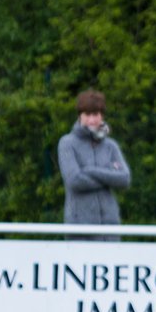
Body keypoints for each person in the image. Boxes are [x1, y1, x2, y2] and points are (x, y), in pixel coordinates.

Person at [57, 89, 130, 240]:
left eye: (95, 114)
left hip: (110, 227)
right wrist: (108, 175)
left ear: (101, 115)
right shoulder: (67, 143)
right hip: (79, 227)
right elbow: (74, 181)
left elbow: (124, 179)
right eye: (87, 115)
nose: (91, 120)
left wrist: (90, 171)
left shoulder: (111, 146)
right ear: (80, 116)